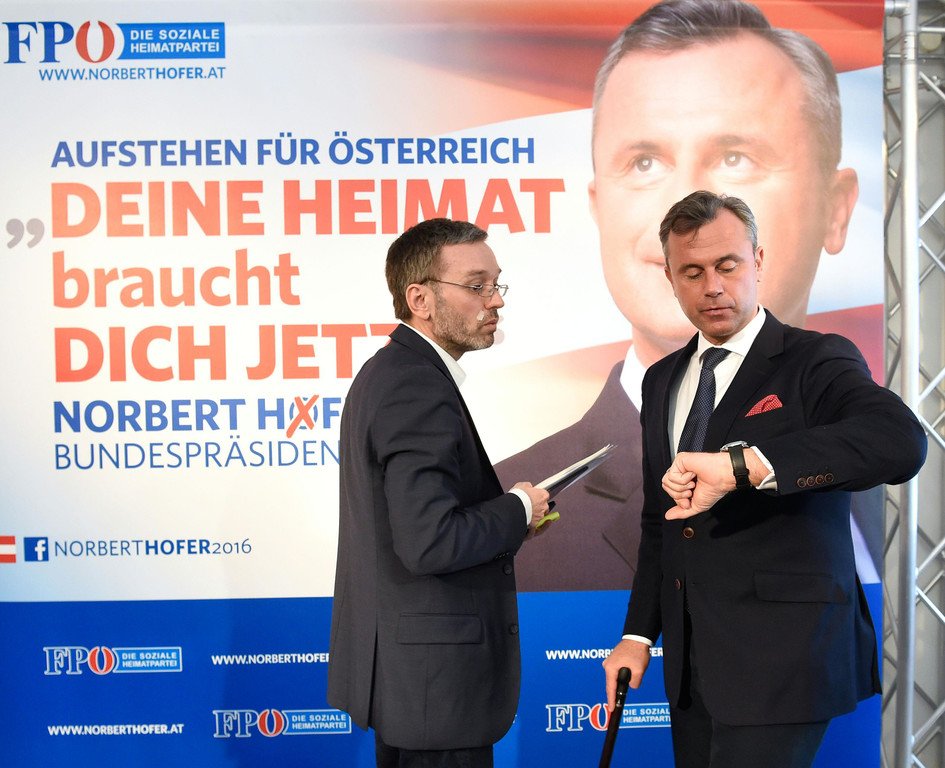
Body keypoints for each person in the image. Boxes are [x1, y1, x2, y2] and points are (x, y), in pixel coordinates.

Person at [497, 0, 878, 592]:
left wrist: (748, 467)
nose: (686, 209)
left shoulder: (856, 434)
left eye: (735, 158)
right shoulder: (511, 511)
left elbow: (900, 445)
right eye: (645, 162)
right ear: (599, 208)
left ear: (836, 209)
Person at [601, 190, 926, 768]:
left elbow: (899, 441)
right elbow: (662, 520)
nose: (712, 287)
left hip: (786, 660)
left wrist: (744, 465)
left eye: (727, 266)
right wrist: (637, 634)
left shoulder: (815, 359)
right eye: (692, 272)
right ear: (671, 279)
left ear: (757, 261)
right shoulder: (661, 379)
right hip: (693, 667)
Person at [327, 218, 552, 768]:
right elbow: (430, 541)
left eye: (496, 284)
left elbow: (412, 525)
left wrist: (512, 516)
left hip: (417, 683)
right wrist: (519, 508)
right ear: (420, 299)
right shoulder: (415, 384)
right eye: (476, 286)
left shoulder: (393, 372)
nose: (496, 300)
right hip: (434, 687)